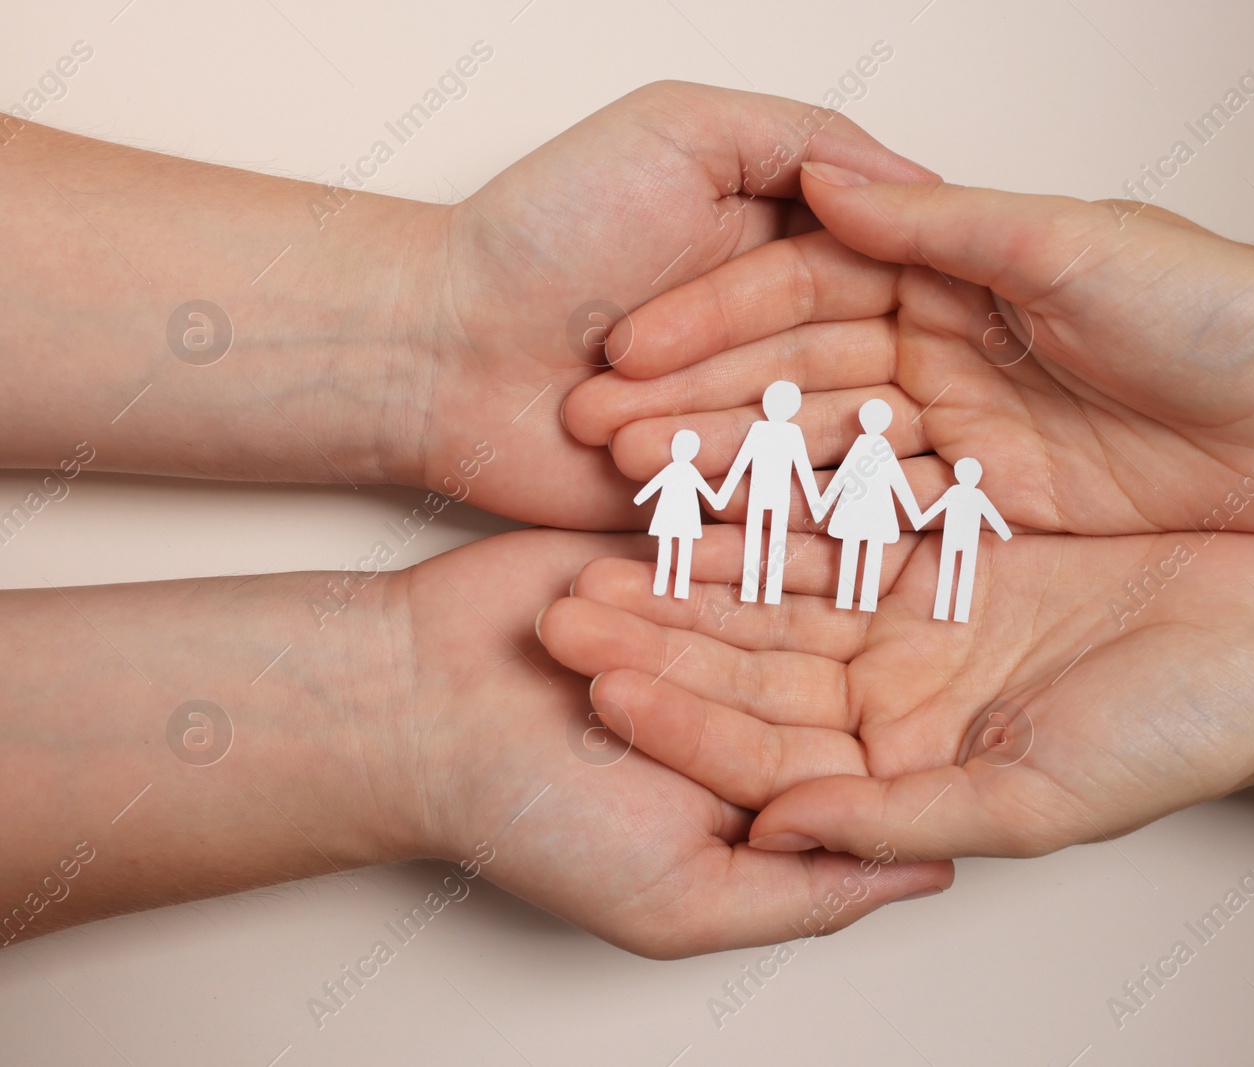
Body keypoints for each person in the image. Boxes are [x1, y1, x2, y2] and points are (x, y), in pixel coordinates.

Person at [0, 84, 954, 959]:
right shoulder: (785, 444)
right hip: (717, 491)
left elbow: (772, 466)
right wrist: (434, 326)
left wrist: (426, 725)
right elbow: (758, 463)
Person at [551, 166, 1254, 862]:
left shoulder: (917, 477)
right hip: (858, 518)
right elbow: (746, 485)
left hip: (905, 524)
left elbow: (894, 498)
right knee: (827, 553)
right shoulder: (808, 452)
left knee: (900, 565)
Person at [713, 379, 822, 604]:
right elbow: (741, 463)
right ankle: (752, 590)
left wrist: (815, 503)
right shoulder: (761, 429)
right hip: (762, 492)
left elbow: (803, 468)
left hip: (774, 493)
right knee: (760, 538)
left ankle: (769, 591)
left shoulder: (790, 432)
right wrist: (723, 494)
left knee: (772, 541)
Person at [813, 398, 925, 611]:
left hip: (862, 506)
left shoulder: (869, 445)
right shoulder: (873, 445)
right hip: (868, 508)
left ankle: (853, 599)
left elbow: (844, 477)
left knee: (855, 550)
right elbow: (897, 481)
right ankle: (860, 600)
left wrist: (822, 505)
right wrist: (915, 514)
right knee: (869, 551)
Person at [918, 457, 1010, 623]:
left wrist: (921, 520)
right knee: (963, 574)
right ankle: (954, 612)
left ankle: (944, 610)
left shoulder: (957, 492)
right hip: (964, 538)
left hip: (956, 537)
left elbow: (938, 507)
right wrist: (1005, 533)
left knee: (950, 572)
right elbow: (992, 514)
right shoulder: (973, 494)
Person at [633, 430, 718, 599]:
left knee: (668, 548)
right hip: (680, 516)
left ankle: (665, 587)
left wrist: (639, 499)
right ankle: (675, 589)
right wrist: (717, 501)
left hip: (673, 515)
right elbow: (708, 493)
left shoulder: (678, 470)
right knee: (679, 550)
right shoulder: (686, 470)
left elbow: (652, 486)